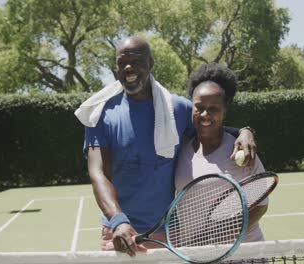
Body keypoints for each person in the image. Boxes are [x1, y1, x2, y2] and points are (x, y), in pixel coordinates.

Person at [74, 36, 257, 256]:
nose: (129, 67)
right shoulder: (99, 113)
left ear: (151, 63)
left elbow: (209, 125)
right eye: (122, 63)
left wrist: (244, 132)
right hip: (117, 235)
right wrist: (118, 221)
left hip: (167, 235)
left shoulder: (176, 108)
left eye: (136, 61)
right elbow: (98, 173)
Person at [174, 62, 268, 243]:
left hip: (244, 256)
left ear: (224, 110)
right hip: (197, 254)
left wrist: (214, 238)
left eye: (213, 108)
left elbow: (260, 206)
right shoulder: (182, 150)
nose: (204, 114)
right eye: (199, 107)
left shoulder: (242, 150)